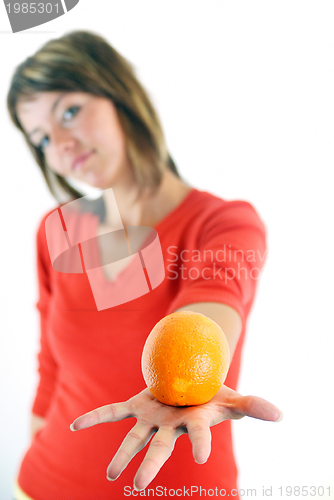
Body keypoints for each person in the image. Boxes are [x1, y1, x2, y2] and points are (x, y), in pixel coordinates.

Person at [7, 31, 282, 500]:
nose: (61, 144)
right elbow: (51, 368)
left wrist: (188, 374)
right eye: (42, 139)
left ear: (119, 93)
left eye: (69, 111)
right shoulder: (60, 229)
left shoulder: (222, 223)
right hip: (44, 484)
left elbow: (208, 308)